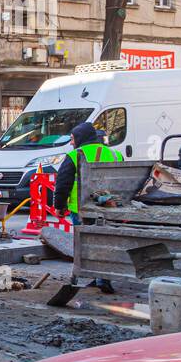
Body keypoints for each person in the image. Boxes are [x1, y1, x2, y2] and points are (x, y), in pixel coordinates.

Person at [52, 120, 124, 294]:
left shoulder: (75, 155)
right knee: (104, 243)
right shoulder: (115, 155)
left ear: (79, 137)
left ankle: (80, 277)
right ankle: (102, 279)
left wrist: (59, 206)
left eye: (72, 138)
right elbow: (123, 182)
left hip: (82, 209)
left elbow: (63, 184)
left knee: (84, 244)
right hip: (109, 208)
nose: (70, 142)